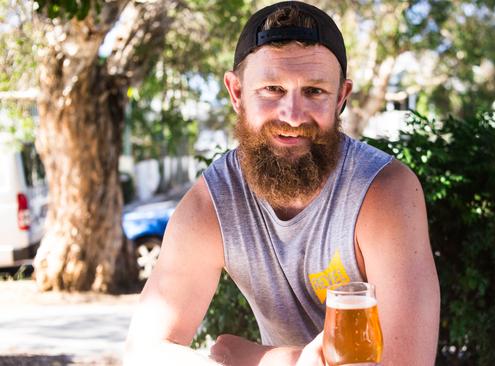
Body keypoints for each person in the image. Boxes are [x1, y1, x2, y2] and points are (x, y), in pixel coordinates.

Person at [124, 1, 440, 365]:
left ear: (341, 97)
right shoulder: (214, 203)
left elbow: (406, 362)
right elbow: (142, 352)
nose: (292, 115)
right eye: (272, 88)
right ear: (237, 93)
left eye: (314, 91)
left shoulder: (384, 192)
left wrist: (249, 357)